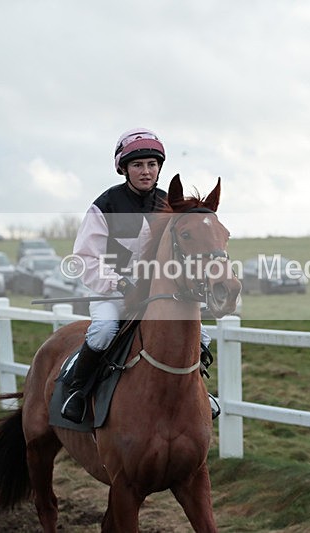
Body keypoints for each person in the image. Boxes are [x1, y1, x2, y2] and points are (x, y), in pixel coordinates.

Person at [60, 127, 212, 423]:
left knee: (201, 335)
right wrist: (117, 281)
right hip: (115, 293)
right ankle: (78, 391)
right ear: (124, 169)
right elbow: (85, 258)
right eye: (138, 165)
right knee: (103, 332)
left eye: (152, 165)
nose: (146, 171)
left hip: (157, 295)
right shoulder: (105, 205)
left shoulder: (171, 204)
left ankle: (199, 394)